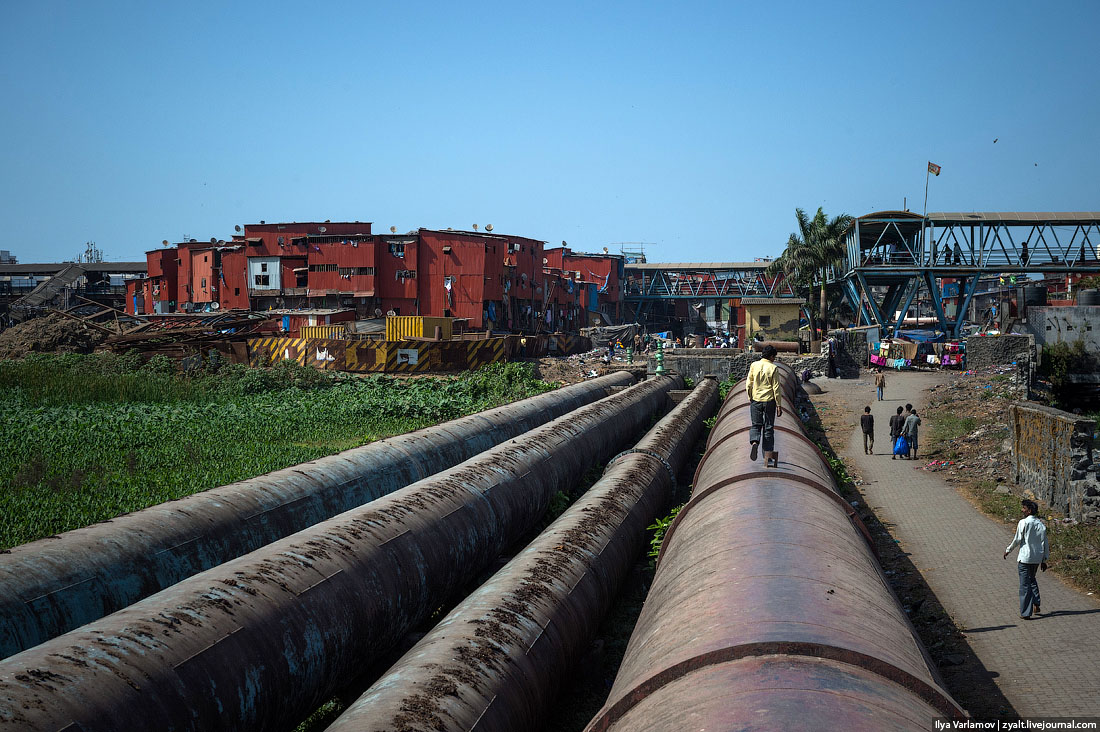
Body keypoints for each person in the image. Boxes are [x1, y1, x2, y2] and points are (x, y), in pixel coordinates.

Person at [1004, 499, 1049, 619]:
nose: (1022, 510)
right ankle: (1036, 602)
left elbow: (1017, 539)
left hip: (1025, 558)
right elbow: (1045, 543)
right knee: (1032, 579)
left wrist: (1008, 550)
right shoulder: (1041, 525)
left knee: (1025, 585)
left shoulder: (1023, 523)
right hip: (1036, 558)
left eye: (1024, 508)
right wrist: (1044, 560)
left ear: (1029, 511)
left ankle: (1025, 612)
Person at [746, 345, 783, 467]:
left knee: (756, 425)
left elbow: (749, 384)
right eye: (774, 357)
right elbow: (776, 387)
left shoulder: (754, 365)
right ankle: (767, 455)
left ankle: (754, 442)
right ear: (771, 356)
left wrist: (750, 397)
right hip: (769, 401)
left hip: (756, 399)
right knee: (768, 428)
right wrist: (779, 405)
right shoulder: (773, 368)